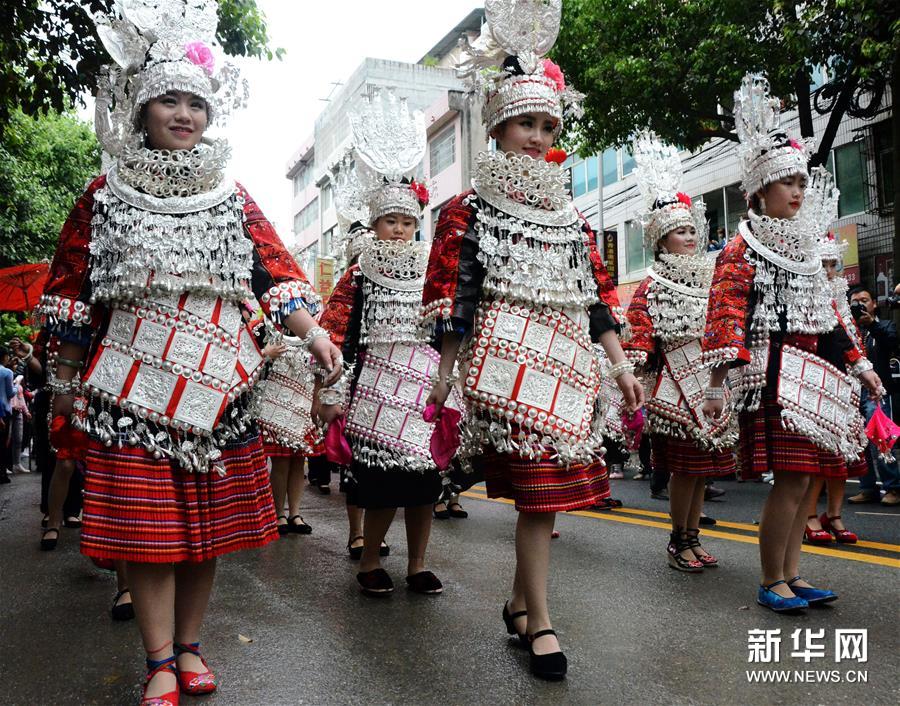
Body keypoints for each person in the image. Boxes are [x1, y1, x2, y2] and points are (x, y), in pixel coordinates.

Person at [37, 3, 342, 703]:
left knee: (203, 532)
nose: (184, 114)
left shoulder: (231, 196)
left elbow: (274, 273)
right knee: (150, 534)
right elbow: (71, 293)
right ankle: (157, 662)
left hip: (219, 390)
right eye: (169, 100)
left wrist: (315, 334)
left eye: (195, 103)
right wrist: (62, 377)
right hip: (129, 388)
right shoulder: (102, 194)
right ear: (142, 108)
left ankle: (191, 646)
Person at [422, 2, 643, 680]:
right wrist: (446, 372)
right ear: (496, 127)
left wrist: (621, 365)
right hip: (505, 366)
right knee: (539, 492)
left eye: (548, 125)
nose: (537, 135)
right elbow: (455, 297)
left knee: (551, 498)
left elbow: (594, 295)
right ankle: (539, 622)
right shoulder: (466, 209)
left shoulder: (569, 214)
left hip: (568, 365)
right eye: (526, 123)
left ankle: (521, 602)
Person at [702, 76, 881, 614]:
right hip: (773, 371)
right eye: (787, 183)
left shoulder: (810, 246)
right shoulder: (743, 247)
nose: (798, 191)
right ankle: (770, 579)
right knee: (793, 478)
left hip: (816, 373)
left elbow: (833, 313)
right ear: (760, 192)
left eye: (801, 181)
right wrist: (716, 382)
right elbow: (726, 313)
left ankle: (792, 573)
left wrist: (861, 364)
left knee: (809, 481)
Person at [317, 91, 448, 597]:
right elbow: (338, 333)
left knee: (425, 487)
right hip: (375, 390)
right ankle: (370, 559)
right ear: (374, 224)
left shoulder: (432, 266)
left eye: (408, 221)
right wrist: (330, 391)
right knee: (384, 489)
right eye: (391, 221)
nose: (400, 229)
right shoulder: (359, 271)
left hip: (424, 390)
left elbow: (446, 324)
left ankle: (417, 564)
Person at [624, 132, 736, 572]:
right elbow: (638, 337)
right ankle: (678, 540)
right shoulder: (651, 285)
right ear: (660, 241)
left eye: (691, 229)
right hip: (673, 384)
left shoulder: (712, 277)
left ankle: (694, 536)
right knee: (683, 470)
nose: (689, 237)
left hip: (708, 380)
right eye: (679, 232)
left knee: (702, 470)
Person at [801, 175, 871, 544]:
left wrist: (862, 371)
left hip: (846, 384)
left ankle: (835, 515)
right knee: (818, 457)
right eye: (823, 264)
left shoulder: (844, 298)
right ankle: (810, 516)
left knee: (845, 458)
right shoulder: (808, 296)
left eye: (833, 265)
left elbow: (851, 338)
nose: (829, 271)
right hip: (816, 381)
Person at [848, 286, 900, 505]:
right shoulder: (848, 331)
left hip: (877, 392)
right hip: (852, 392)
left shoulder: (885, 325)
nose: (861, 305)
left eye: (865, 300)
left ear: (874, 304)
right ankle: (867, 487)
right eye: (855, 302)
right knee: (858, 440)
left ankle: (893, 488)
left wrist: (873, 325)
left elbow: (893, 343)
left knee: (880, 439)